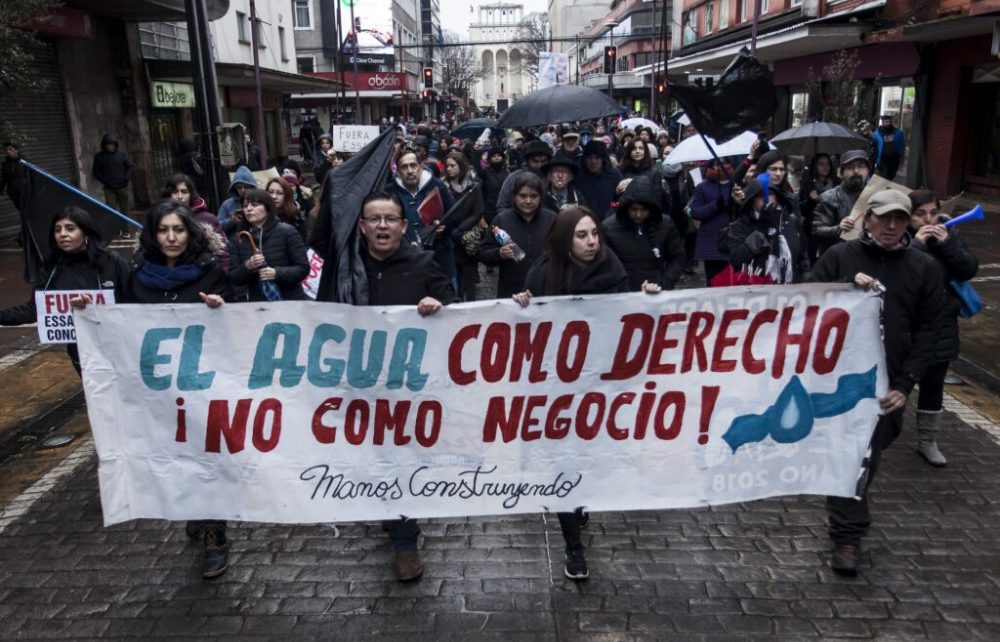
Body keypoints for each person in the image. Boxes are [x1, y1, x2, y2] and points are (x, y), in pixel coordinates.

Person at [73, 201, 232, 578]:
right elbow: (121, 326)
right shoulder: (138, 278)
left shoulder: (210, 275)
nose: (171, 237)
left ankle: (215, 537)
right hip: (157, 397)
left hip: (201, 393)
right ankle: (194, 510)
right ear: (153, 235)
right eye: (163, 230)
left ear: (190, 233)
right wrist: (89, 311)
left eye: (178, 229)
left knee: (207, 459)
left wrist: (221, 308)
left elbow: (235, 330)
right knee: (175, 460)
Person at [512, 206, 659, 580]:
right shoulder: (542, 273)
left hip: (599, 386)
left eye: (594, 233)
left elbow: (626, 323)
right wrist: (520, 307)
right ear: (565, 239)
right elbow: (528, 330)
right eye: (582, 235)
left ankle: (577, 501)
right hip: (556, 388)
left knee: (586, 457)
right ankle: (573, 547)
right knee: (563, 461)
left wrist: (647, 299)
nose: (592, 241)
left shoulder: (612, 270)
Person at [810, 189, 944, 577]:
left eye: (899, 219)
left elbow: (929, 330)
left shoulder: (923, 267)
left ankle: (846, 508)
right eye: (883, 218)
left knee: (872, 453)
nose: (891, 226)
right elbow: (804, 301)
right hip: (840, 381)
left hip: (889, 384)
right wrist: (844, 287)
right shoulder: (840, 257)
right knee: (853, 456)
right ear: (867, 218)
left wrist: (905, 385)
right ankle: (847, 535)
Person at [357, 191, 458, 581]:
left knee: (400, 458)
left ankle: (405, 541)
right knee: (375, 457)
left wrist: (438, 305)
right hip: (362, 382)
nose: (382, 226)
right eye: (374, 219)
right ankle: (391, 512)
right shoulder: (348, 267)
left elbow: (456, 307)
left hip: (408, 385)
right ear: (363, 227)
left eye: (389, 219)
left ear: (403, 226)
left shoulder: (423, 264)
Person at [0, 207, 130, 374]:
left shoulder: (111, 262)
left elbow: (134, 297)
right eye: (57, 229)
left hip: (119, 346)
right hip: (81, 352)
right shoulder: (51, 268)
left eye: (70, 229)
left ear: (86, 232)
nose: (62, 234)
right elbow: (35, 309)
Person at [907, 190, 979, 467]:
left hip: (941, 323)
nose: (928, 219)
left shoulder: (949, 234)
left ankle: (927, 441)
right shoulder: (902, 237)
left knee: (933, 385)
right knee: (897, 382)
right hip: (908, 325)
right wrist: (917, 246)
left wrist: (947, 244)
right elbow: (901, 275)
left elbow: (968, 269)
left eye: (933, 212)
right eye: (920, 214)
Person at [478, 172, 557, 298]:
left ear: (541, 197)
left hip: (546, 291)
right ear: (514, 196)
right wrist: (499, 254)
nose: (528, 201)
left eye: (533, 196)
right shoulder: (501, 220)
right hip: (511, 292)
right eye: (523, 196)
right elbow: (483, 252)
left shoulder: (552, 219)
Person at [718, 177, 811, 284]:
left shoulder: (791, 221)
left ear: (777, 197)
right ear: (752, 200)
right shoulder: (740, 226)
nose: (766, 199)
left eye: (770, 194)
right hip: (754, 291)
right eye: (761, 195)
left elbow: (803, 258)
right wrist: (759, 234)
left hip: (788, 291)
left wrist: (805, 281)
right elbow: (736, 260)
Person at [602, 175, 685, 291]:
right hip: (621, 294)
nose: (638, 215)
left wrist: (663, 284)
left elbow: (677, 258)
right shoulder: (609, 227)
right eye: (634, 209)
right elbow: (605, 265)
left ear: (651, 209)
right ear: (626, 207)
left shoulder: (665, 224)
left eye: (643, 210)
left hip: (656, 290)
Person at [228, 188, 309, 302]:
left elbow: (303, 268)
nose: (249, 209)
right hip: (257, 304)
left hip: (290, 301)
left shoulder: (287, 232)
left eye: (255, 205)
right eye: (245, 206)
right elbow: (233, 277)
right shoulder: (240, 238)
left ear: (267, 207)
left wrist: (277, 273)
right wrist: (247, 266)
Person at [160, 173, 229, 270]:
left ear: (191, 194)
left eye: (184, 192)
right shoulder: (158, 219)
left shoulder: (208, 219)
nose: (180, 196)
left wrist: (222, 278)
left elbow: (223, 255)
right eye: (175, 192)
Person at [443, 151, 485, 301]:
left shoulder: (474, 187)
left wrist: (461, 229)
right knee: (455, 272)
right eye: (447, 166)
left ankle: (471, 302)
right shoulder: (444, 187)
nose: (449, 169)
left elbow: (478, 212)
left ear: (461, 166)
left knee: (470, 271)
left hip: (468, 235)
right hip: (450, 236)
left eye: (452, 166)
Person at [812, 150, 869, 257]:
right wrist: (838, 228)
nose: (856, 171)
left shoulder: (875, 196)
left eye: (861, 166)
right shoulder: (828, 197)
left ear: (867, 171)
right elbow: (816, 230)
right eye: (850, 167)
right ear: (841, 173)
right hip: (838, 259)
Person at [689, 159, 734, 285]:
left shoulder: (735, 184)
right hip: (711, 243)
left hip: (733, 240)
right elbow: (695, 212)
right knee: (714, 282)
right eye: (716, 164)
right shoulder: (702, 187)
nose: (720, 167)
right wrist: (715, 206)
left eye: (724, 163)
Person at [798, 153, 841, 263]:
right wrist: (810, 200)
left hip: (832, 225)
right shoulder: (808, 184)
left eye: (827, 164)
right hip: (813, 228)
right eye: (821, 164)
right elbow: (802, 208)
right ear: (815, 166)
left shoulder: (837, 183)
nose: (825, 167)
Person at [495, 139, 553, 213]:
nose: (539, 165)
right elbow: (502, 206)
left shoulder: (553, 178)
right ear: (528, 161)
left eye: (543, 161)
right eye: (535, 161)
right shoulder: (514, 178)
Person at [576, 140, 623, 220]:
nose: (593, 161)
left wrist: (612, 209)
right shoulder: (578, 177)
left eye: (597, 158)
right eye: (590, 158)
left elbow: (620, 199)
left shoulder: (614, 176)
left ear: (603, 159)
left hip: (608, 222)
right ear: (585, 159)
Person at [91, 133, 134, 220]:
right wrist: (105, 181)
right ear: (104, 145)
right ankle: (114, 230)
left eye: (112, 144)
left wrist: (126, 178)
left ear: (115, 145)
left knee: (124, 210)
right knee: (111, 210)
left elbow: (130, 166)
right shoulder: (99, 157)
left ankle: (125, 230)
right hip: (109, 189)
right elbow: (96, 171)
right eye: (108, 145)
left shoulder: (121, 154)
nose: (111, 147)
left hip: (122, 187)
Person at [217, 166, 257, 235]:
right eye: (239, 187)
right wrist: (231, 221)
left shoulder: (260, 201)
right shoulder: (227, 204)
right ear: (235, 188)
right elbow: (217, 227)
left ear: (252, 187)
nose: (243, 190)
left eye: (246, 187)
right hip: (235, 241)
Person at [266, 177, 306, 241]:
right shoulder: (261, 216)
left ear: (287, 195)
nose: (274, 196)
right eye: (270, 192)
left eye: (279, 193)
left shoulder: (296, 217)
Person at [479, 146, 510, 224]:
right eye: (493, 156)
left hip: (504, 210)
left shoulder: (507, 173)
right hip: (489, 211)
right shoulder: (485, 173)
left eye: (499, 155)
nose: (496, 158)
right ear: (489, 159)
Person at [873, 114, 905, 181]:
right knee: (884, 175)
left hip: (894, 159)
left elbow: (902, 144)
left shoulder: (898, 132)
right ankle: (884, 188)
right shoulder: (877, 133)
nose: (888, 123)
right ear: (882, 122)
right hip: (882, 160)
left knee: (891, 175)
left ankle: (887, 187)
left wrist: (901, 156)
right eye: (886, 122)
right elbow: (873, 146)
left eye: (889, 122)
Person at [2, 142, 28, 212]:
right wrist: (1, 189)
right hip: (13, 192)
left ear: (16, 150)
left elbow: (33, 175)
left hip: (24, 191)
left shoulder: (24, 161)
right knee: (21, 210)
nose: (8, 151)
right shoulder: (6, 163)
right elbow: (4, 177)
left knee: (27, 210)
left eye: (10, 149)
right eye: (5, 150)